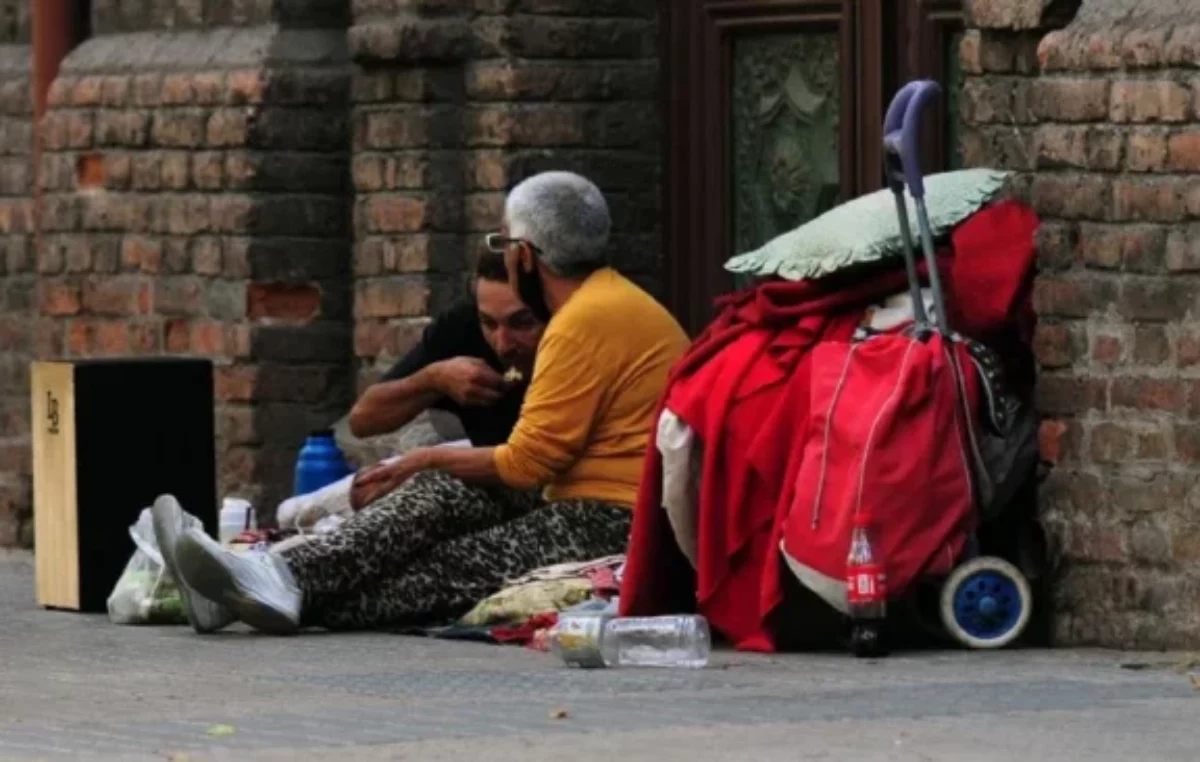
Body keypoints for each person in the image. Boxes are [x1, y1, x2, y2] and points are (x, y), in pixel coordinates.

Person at [156, 171, 691, 634]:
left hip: (613, 521)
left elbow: (529, 463)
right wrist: (429, 458)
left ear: (525, 255)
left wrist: (423, 457)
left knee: (438, 570)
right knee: (443, 490)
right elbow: (376, 421)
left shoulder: (584, 319)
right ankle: (265, 581)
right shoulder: (601, 302)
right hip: (567, 500)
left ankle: (260, 591)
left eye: (504, 246)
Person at [348, 250, 543, 446]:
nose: (503, 345)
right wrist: (433, 379)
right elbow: (362, 419)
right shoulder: (463, 325)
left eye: (522, 324)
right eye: (489, 324)